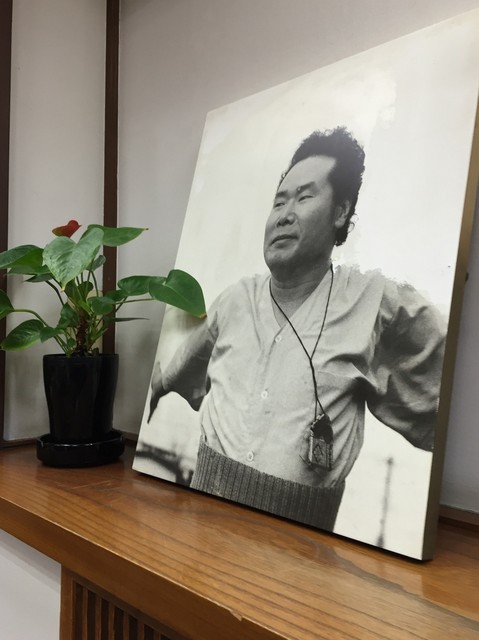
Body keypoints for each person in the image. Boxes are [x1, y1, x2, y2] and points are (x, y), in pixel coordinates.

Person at [147, 127, 446, 532]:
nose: (284, 214)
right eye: (279, 201)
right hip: (204, 525)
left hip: (300, 549)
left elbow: (445, 388)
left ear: (340, 212)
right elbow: (189, 357)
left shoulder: (375, 302)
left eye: (304, 197)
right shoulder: (236, 299)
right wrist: (159, 385)